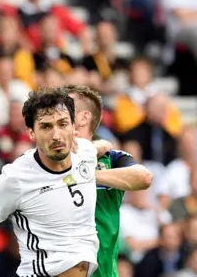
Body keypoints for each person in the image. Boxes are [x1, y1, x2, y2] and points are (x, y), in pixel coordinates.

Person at [0, 88, 113, 277]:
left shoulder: (85, 153)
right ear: (31, 133)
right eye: (46, 127)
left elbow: (99, 148)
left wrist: (99, 146)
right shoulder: (15, 178)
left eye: (62, 124)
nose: (56, 135)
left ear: (73, 126)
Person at [66, 85, 153, 277]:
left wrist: (88, 175)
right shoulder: (51, 160)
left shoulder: (112, 159)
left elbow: (144, 177)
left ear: (84, 118)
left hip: (103, 271)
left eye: (65, 107)